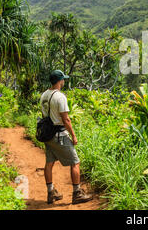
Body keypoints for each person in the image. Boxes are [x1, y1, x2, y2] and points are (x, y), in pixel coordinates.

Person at [40, 70, 92, 205]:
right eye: (63, 79)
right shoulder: (60, 97)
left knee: (49, 163)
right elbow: (66, 119)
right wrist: (73, 136)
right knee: (75, 162)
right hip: (59, 135)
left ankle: (50, 193)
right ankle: (77, 193)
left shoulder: (44, 95)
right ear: (60, 81)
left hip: (48, 135)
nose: (64, 82)